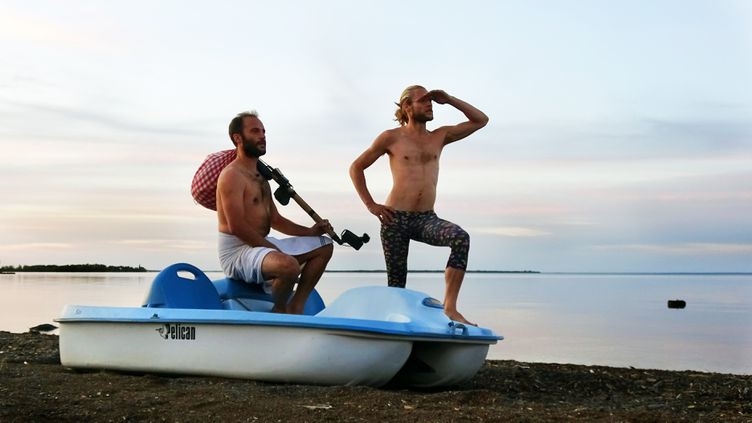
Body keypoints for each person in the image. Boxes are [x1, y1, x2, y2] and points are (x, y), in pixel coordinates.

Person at [349, 85, 489, 326]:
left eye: (431, 101)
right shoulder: (390, 138)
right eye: (423, 100)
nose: (429, 104)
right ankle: (393, 327)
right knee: (396, 285)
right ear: (407, 106)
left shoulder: (440, 136)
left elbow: (481, 120)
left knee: (460, 238)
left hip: (426, 219)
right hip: (395, 220)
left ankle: (450, 308)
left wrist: (450, 99)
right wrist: (371, 205)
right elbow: (356, 167)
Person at [217, 111, 334, 314]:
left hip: (261, 246)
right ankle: (279, 311)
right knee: (289, 266)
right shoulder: (231, 175)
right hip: (237, 252)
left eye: (263, 132)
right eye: (255, 131)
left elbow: (275, 219)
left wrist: (311, 231)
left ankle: (296, 306)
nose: (262, 136)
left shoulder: (261, 177)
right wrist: (273, 249)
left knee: (325, 246)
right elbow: (237, 226)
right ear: (238, 138)